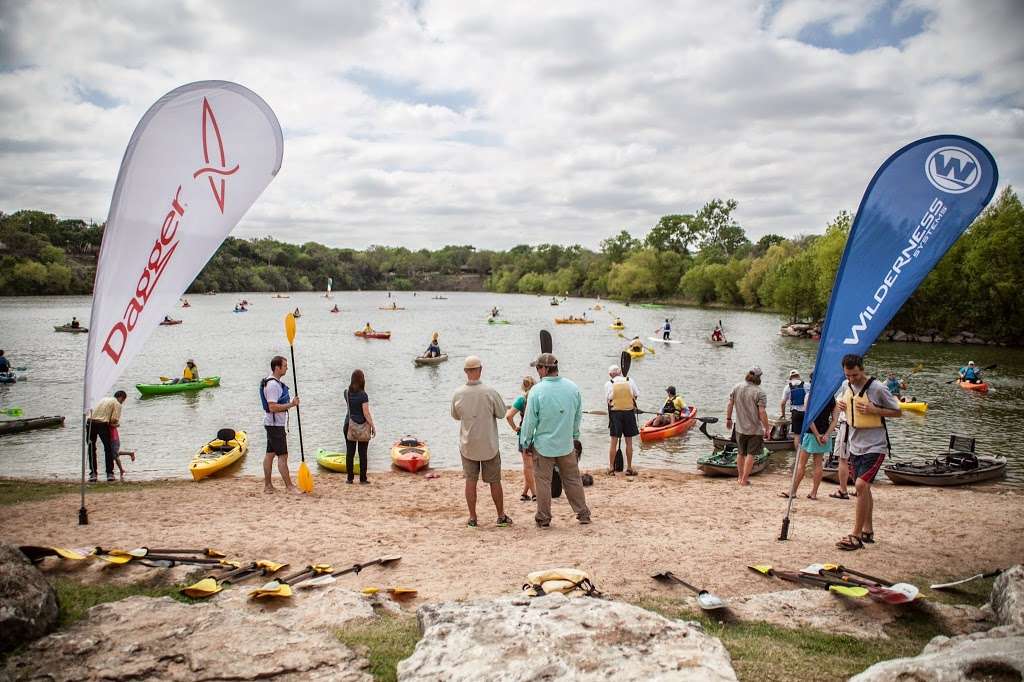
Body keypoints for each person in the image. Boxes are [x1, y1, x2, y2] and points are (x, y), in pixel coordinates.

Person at [835, 354, 902, 551]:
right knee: (865, 488)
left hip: (875, 445)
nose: (851, 379)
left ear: (862, 369)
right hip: (854, 444)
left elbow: (898, 412)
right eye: (848, 375)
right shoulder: (846, 385)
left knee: (860, 485)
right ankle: (868, 530)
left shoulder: (878, 388)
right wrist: (840, 405)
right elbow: (842, 401)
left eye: (855, 375)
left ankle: (855, 536)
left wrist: (875, 410)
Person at [520, 353, 590, 528]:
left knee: (543, 482)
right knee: (572, 479)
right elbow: (577, 416)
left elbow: (530, 420)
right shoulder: (572, 388)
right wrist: (574, 436)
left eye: (538, 368)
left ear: (544, 369)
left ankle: (544, 517)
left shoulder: (537, 390)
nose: (537, 371)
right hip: (566, 443)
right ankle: (583, 514)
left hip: (543, 445)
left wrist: (526, 442)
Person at [451, 356, 510, 527]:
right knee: (494, 481)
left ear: (465, 371)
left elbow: (455, 416)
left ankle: (473, 518)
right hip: (488, 444)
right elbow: (501, 413)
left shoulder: (458, 393)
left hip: (468, 444)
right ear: (481, 370)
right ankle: (500, 516)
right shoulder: (490, 392)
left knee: (470, 481)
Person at [782, 372, 835, 500]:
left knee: (801, 464)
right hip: (824, 433)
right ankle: (814, 493)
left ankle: (793, 491)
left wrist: (816, 435)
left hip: (811, 433)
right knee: (818, 464)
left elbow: (809, 418)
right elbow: (835, 420)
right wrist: (826, 434)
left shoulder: (810, 396)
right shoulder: (831, 396)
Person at [260, 355, 301, 494]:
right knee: (283, 456)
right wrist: (291, 404)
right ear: (277, 368)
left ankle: (268, 486)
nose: (287, 368)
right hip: (275, 425)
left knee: (270, 454)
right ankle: (289, 487)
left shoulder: (274, 382)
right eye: (284, 366)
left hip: (272, 424)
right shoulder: (272, 385)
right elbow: (272, 407)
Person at [725, 367, 771, 486]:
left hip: (739, 427)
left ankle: (740, 477)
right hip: (754, 429)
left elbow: (730, 404)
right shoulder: (759, 392)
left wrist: (728, 419)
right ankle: (744, 480)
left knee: (740, 453)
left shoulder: (736, 387)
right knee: (751, 454)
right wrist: (767, 428)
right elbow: (762, 412)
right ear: (758, 377)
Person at [505, 375, 537, 502]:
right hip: (538, 434)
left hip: (524, 434)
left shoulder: (521, 400)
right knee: (533, 466)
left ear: (523, 387)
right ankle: (526, 493)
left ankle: (533, 494)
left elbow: (508, 416)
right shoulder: (538, 397)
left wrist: (515, 428)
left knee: (528, 467)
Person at [604, 366, 639, 475]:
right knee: (629, 442)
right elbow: (636, 395)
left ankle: (611, 468)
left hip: (615, 414)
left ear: (610, 374)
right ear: (620, 372)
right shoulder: (630, 380)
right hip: (629, 413)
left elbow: (608, 400)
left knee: (613, 442)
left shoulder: (609, 383)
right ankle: (629, 468)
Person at [344, 369, 376, 484]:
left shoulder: (347, 392)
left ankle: (350, 478)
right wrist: (373, 426)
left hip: (350, 426)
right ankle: (363, 479)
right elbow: (366, 413)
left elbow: (350, 405)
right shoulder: (363, 395)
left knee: (350, 453)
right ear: (362, 380)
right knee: (363, 454)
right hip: (363, 427)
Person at [87, 390, 127, 482]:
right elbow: (114, 419)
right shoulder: (117, 403)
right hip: (102, 424)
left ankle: (93, 474)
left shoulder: (102, 399)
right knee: (108, 448)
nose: (122, 403)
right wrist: (116, 425)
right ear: (121, 398)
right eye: (123, 400)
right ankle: (110, 473)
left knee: (91, 448)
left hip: (90, 422)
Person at [780, 370, 807, 451]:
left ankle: (797, 453)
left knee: (797, 435)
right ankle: (807, 453)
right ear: (799, 376)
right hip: (806, 412)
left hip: (795, 413)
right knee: (807, 434)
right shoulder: (806, 385)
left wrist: (783, 414)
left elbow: (782, 403)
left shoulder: (787, 387)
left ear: (790, 378)